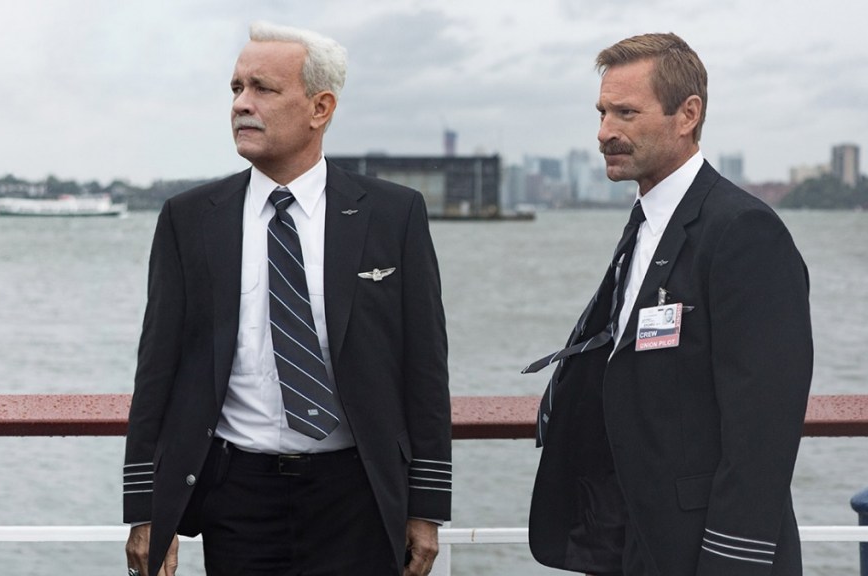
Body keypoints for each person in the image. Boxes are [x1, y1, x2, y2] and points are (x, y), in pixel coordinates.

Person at [122, 21, 450, 576]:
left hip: (360, 497)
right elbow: (157, 370)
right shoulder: (189, 219)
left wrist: (427, 507)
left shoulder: (394, 214)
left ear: (321, 108)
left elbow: (425, 368)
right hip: (234, 498)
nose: (241, 104)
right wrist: (146, 508)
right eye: (236, 88)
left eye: (263, 89)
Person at [525, 33, 813, 576]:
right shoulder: (648, 225)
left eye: (627, 113)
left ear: (688, 115)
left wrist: (731, 562)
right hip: (632, 537)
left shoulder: (744, 232)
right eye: (603, 112)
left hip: (706, 551)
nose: (605, 132)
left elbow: (763, 431)